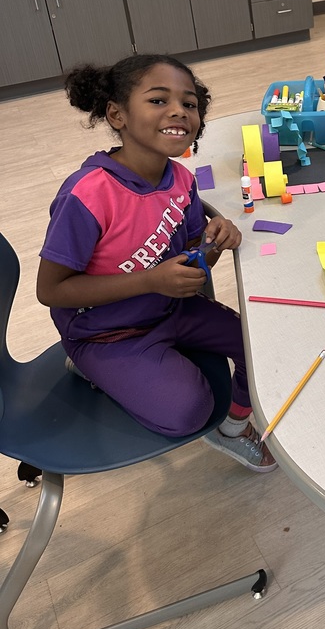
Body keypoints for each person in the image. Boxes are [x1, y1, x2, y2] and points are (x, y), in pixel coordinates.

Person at [36, 54, 276, 473]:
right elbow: (50, 290)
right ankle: (91, 369)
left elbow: (190, 259)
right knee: (190, 411)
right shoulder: (87, 195)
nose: (179, 112)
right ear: (117, 115)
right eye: (158, 100)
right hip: (105, 334)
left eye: (189, 103)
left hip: (170, 309)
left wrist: (215, 241)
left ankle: (234, 428)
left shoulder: (181, 180)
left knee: (264, 347)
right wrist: (150, 281)